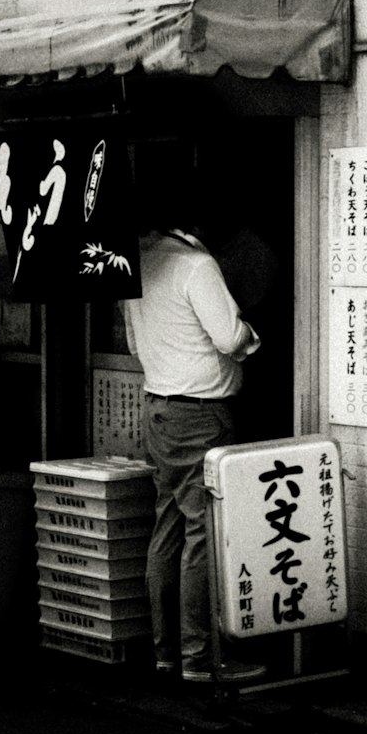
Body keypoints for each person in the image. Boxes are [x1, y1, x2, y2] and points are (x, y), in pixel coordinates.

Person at [123, 209, 264, 688]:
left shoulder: (138, 260)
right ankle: (200, 658)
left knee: (168, 525)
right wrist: (250, 336)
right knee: (203, 532)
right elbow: (229, 337)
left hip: (159, 407)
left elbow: (133, 343)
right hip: (202, 414)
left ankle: (166, 652)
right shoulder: (196, 265)